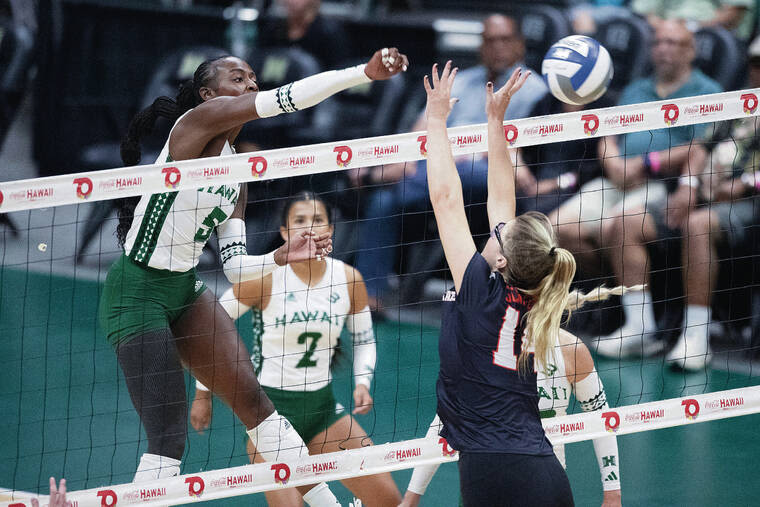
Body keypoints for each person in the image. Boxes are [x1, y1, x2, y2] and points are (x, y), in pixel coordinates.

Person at [98, 47, 408, 506]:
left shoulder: (237, 173)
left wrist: (281, 255)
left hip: (184, 289)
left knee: (259, 410)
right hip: (137, 290)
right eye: (237, 77)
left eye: (252, 78)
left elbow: (236, 266)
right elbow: (292, 98)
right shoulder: (197, 124)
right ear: (207, 94)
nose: (250, 84)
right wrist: (361, 73)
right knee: (168, 439)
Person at [421, 59, 634, 506]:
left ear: (501, 257)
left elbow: (445, 198)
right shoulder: (533, 291)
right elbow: (502, 200)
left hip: (493, 471)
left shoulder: (479, 290)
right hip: (544, 470)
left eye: (501, 233)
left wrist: (436, 120)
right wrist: (495, 122)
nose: (498, 227)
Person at [190, 191, 401, 506]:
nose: (310, 227)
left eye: (318, 219)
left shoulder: (348, 279)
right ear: (285, 232)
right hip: (269, 418)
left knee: (388, 500)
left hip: (323, 413)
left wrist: (363, 382)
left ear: (330, 229)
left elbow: (364, 339)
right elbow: (210, 329)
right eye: (300, 221)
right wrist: (202, 394)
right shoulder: (265, 277)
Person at [353, 13, 548, 311]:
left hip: (487, 171)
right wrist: (405, 157)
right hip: (437, 163)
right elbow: (422, 127)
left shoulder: (533, 88)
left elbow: (516, 146)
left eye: (504, 40)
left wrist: (438, 158)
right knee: (384, 202)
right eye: (489, 41)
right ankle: (371, 297)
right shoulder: (461, 81)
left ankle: (397, 175)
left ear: (519, 44)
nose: (497, 47)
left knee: (459, 172)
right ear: (480, 46)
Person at [596, 38, 760, 366]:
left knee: (698, 226)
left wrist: (745, 184)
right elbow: (701, 146)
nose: (758, 70)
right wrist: (687, 184)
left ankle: (696, 336)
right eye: (756, 63)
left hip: (750, 203)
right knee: (627, 222)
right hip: (707, 195)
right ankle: (639, 328)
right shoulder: (739, 101)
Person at [550, 20, 721, 330]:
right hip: (615, 180)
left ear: (691, 50)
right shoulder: (635, 88)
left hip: (657, 182)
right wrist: (613, 161)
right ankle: (615, 293)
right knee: (557, 229)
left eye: (674, 43)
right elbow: (607, 135)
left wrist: (645, 165)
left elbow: (700, 146)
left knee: (619, 225)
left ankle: (637, 321)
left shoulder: (708, 92)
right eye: (658, 43)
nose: (664, 49)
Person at [400, 330, 622, 507]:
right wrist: (411, 497)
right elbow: (444, 422)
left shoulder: (569, 349)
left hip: (544, 484)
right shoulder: (482, 348)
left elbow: (603, 420)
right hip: (483, 484)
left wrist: (613, 494)